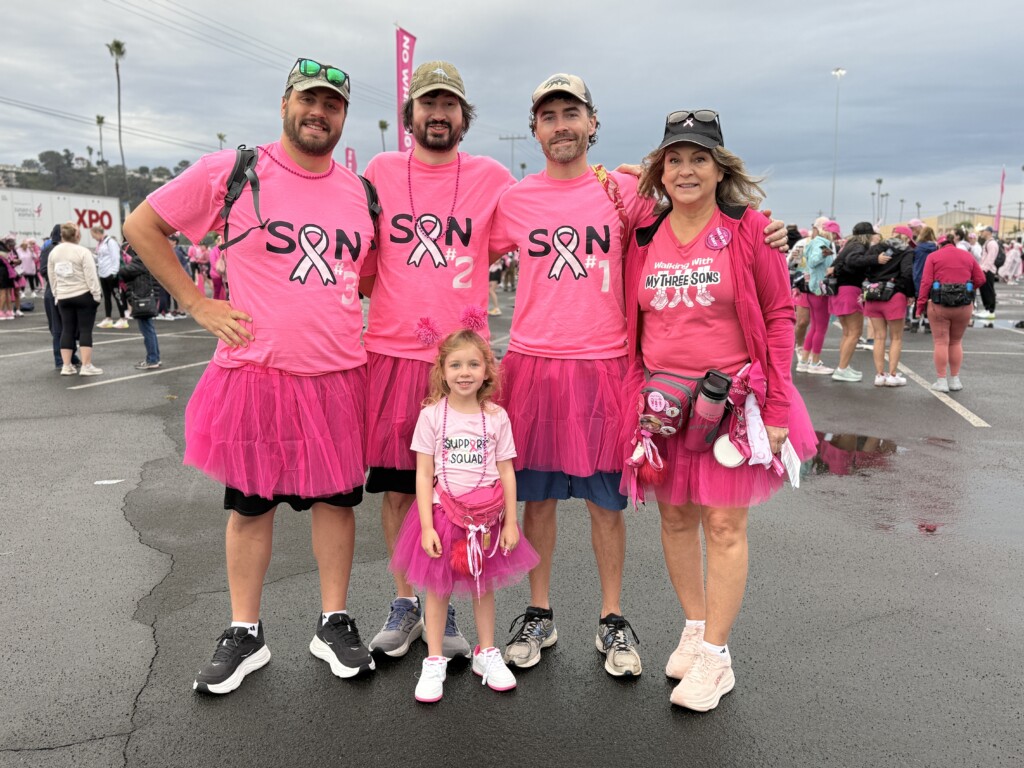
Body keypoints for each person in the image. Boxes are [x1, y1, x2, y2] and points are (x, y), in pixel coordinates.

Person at [489, 76, 789, 678]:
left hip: (608, 366)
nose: (561, 126)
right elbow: (466, 256)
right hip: (533, 364)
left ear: (593, 123)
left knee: (608, 502)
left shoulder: (623, 189)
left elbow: (698, 209)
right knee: (539, 498)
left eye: (572, 113)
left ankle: (613, 617)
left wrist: (766, 227)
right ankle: (540, 611)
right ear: (536, 130)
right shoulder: (515, 199)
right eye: (549, 117)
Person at [123, 57, 377, 694]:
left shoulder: (358, 191)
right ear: (286, 102)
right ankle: (245, 632)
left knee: (337, 502)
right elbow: (142, 226)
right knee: (249, 506)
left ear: (343, 116)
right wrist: (198, 303)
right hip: (256, 375)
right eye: (308, 100)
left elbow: (365, 272)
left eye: (332, 104)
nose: (319, 112)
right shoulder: (235, 171)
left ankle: (334, 619)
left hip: (339, 373)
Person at [622, 108, 816, 711]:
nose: (685, 169)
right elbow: (604, 178)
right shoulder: (643, 232)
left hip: (731, 401)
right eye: (673, 159)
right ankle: (695, 627)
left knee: (725, 525)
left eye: (697, 158)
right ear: (660, 170)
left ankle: (718, 656)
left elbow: (781, 316)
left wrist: (779, 406)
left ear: (718, 168)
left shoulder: (750, 229)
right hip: (662, 405)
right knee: (675, 519)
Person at [360, 61, 516, 661]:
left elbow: (553, 208)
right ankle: (406, 603)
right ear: (411, 115)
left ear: (463, 116)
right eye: (428, 104)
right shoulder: (379, 171)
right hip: (392, 355)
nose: (439, 114)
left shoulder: (492, 177)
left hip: (461, 367)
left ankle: (444, 602)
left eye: (450, 105)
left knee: (461, 487)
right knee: (401, 491)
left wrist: (623, 181)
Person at [389, 329, 539, 702]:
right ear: (442, 371)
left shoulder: (496, 417)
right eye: (455, 364)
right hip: (444, 516)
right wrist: (426, 526)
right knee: (438, 589)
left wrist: (511, 521)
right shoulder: (431, 416)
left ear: (487, 371)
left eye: (474, 364)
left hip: (487, 522)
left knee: (482, 586)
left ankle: (486, 653)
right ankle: (434, 658)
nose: (465, 372)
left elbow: (506, 472)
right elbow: (424, 475)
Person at [917, 226, 986, 392]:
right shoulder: (967, 256)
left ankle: (941, 381)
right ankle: (955, 380)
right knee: (956, 342)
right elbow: (981, 279)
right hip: (963, 305)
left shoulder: (933, 256)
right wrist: (966, 288)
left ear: (939, 245)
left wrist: (920, 305)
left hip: (939, 304)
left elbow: (926, 283)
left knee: (941, 342)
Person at [862, 226, 915, 387]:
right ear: (906, 238)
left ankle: (879, 375)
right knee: (896, 338)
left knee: (878, 337)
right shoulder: (906, 251)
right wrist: (910, 294)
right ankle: (892, 375)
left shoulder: (876, 248)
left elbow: (865, 267)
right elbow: (907, 273)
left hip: (873, 294)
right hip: (894, 295)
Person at [49, 222, 103, 376]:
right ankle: (86, 366)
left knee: (67, 329)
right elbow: (91, 275)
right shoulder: (83, 251)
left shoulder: (54, 252)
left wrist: (56, 294)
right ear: (77, 235)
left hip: (63, 296)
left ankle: (66, 366)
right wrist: (96, 295)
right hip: (83, 295)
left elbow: (52, 276)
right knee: (85, 330)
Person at [829, 222, 874, 382]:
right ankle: (842, 368)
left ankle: (843, 366)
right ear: (867, 235)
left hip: (839, 291)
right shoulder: (859, 247)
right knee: (855, 333)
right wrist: (874, 259)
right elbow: (854, 261)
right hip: (850, 290)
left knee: (847, 332)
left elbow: (837, 265)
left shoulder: (848, 246)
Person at [794, 221, 836, 374]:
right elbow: (804, 262)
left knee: (813, 326)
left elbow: (795, 263)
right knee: (817, 326)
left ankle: (805, 359)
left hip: (810, 287)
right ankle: (814, 361)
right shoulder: (821, 245)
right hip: (817, 288)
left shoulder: (807, 243)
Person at [119, 246, 162, 369]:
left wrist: (120, 261)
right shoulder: (149, 259)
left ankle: (152, 359)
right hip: (148, 298)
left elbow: (124, 273)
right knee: (150, 330)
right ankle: (154, 358)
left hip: (142, 299)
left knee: (147, 331)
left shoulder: (140, 260)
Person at [91, 224, 129, 329]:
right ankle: (108, 318)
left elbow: (115, 257)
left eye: (93, 235)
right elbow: (100, 258)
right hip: (103, 273)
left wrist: (114, 272)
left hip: (111, 274)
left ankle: (123, 318)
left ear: (98, 233)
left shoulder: (110, 242)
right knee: (107, 297)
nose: (93, 237)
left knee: (117, 296)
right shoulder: (100, 243)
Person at [976, 226, 999, 322]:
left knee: (988, 290)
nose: (982, 232)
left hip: (988, 270)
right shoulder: (988, 242)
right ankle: (987, 309)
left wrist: (984, 269)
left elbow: (990, 258)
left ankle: (990, 311)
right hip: (985, 269)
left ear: (989, 232)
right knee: (984, 290)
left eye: (983, 231)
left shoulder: (992, 243)